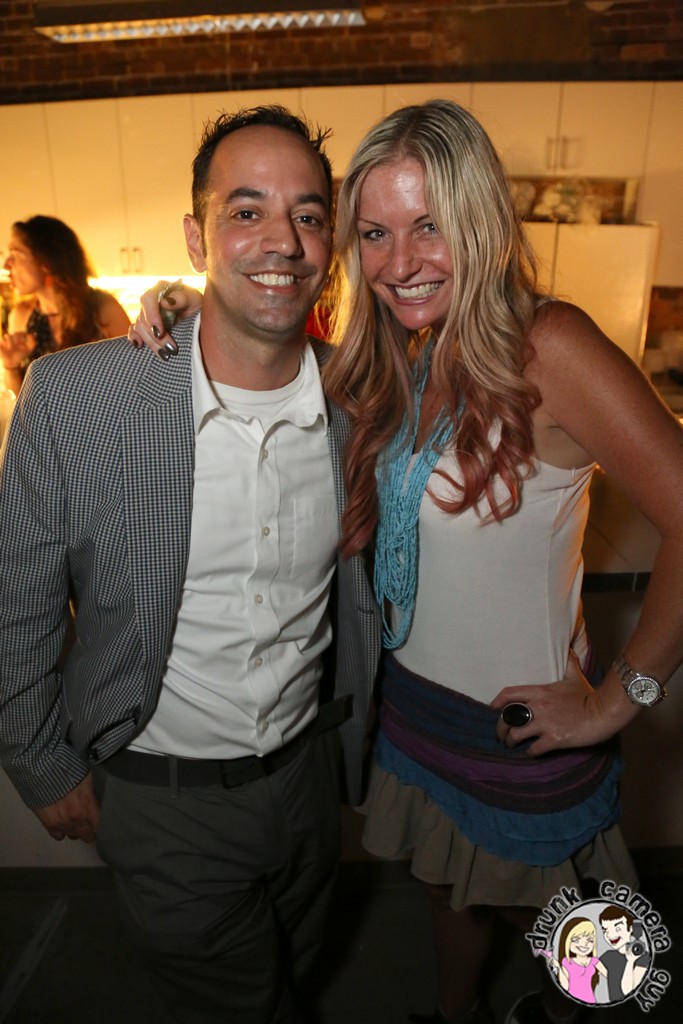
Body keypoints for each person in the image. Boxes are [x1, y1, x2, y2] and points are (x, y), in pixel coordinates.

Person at [132, 99, 683, 1024]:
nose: (398, 263)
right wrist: (203, 302)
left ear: (481, 220)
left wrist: (618, 698)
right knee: (447, 889)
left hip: (520, 732)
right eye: (375, 233)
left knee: (599, 964)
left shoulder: (550, 343)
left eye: (429, 226)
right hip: (412, 716)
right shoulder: (402, 354)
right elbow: (285, 366)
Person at [0, 106, 381, 1024]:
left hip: (307, 781)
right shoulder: (78, 395)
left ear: (330, 241)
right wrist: (38, 758)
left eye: (307, 214)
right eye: (246, 211)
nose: (281, 240)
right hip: (162, 795)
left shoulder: (361, 402)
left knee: (298, 967)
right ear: (196, 236)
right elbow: (17, 599)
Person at [1, 214, 130, 394]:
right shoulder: (21, 316)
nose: (6, 265)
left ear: (46, 261)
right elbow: (23, 404)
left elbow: (136, 375)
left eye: (16, 255)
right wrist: (11, 367)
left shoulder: (103, 309)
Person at [598, 906, 650, 1001]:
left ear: (630, 929)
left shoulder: (643, 957)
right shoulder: (608, 956)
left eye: (617, 929)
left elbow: (628, 991)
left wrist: (630, 961)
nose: (610, 935)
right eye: (605, 930)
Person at [550, 918, 607, 1004]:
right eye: (576, 940)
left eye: (590, 940)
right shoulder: (566, 962)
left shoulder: (594, 961)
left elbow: (610, 976)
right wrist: (558, 967)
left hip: (590, 1001)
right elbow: (565, 986)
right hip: (571, 1001)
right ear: (567, 941)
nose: (584, 944)